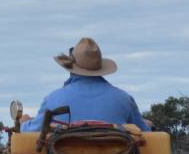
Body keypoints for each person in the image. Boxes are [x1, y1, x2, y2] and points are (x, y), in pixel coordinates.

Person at [20, 37, 150, 131]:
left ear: (71, 69)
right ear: (100, 68)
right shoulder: (125, 99)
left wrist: (24, 124)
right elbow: (145, 132)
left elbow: (33, 131)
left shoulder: (53, 99)